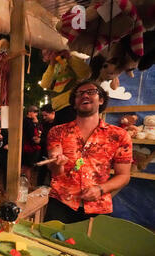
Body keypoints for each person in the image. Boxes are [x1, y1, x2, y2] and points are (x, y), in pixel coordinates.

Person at [44, 80, 132, 224]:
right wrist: (57, 162)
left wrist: (100, 189)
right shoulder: (57, 131)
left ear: (101, 100)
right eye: (79, 94)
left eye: (91, 92)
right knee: (49, 244)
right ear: (74, 103)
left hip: (98, 207)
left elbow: (123, 175)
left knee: (89, 246)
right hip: (60, 204)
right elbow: (56, 173)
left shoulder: (119, 135)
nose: (85, 95)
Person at [39, 49, 91, 126]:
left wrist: (69, 57)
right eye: (47, 54)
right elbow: (45, 84)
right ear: (44, 59)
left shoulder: (68, 60)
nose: (51, 54)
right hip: (58, 109)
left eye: (51, 51)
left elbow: (86, 73)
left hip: (71, 106)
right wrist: (52, 63)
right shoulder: (51, 68)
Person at [22, 105, 42, 186]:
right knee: (25, 167)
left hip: (30, 147)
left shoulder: (31, 121)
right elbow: (31, 135)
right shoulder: (27, 121)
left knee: (28, 167)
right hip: (27, 147)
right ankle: (25, 183)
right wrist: (35, 123)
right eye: (35, 112)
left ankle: (28, 183)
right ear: (30, 112)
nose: (36, 115)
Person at [37, 104, 56, 186]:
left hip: (54, 153)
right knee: (41, 172)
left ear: (53, 113)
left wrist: (41, 140)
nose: (44, 117)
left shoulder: (58, 125)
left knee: (53, 174)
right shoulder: (45, 124)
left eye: (46, 115)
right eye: (43, 115)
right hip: (44, 152)